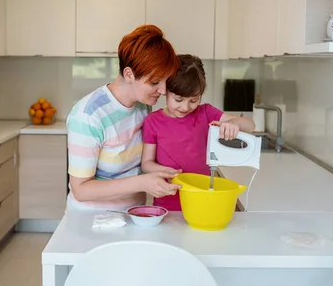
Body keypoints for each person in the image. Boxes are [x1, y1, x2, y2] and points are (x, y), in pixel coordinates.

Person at [66, 25, 182, 211]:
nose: (162, 90)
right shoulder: (89, 115)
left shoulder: (142, 106)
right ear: (129, 74)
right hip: (91, 219)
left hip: (134, 213)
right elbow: (81, 190)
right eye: (154, 82)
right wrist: (141, 183)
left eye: (165, 81)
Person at [141, 54, 256, 211]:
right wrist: (164, 171)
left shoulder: (206, 113)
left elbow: (250, 125)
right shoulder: (152, 121)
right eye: (178, 100)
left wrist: (234, 123)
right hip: (167, 203)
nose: (185, 107)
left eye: (194, 101)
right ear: (166, 91)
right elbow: (146, 163)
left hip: (203, 200)